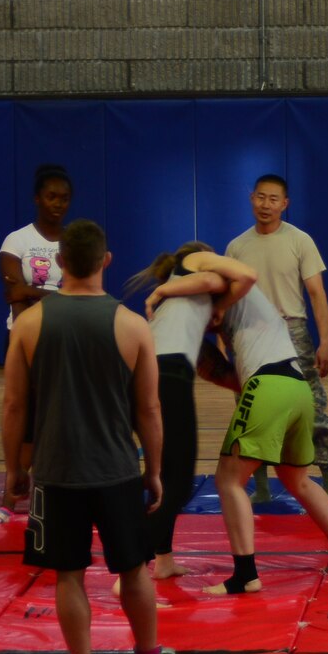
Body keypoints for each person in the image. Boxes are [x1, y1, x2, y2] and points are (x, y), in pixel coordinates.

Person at [1, 219, 174, 654]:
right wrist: (154, 472)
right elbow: (150, 409)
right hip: (117, 471)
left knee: (68, 574)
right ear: (106, 261)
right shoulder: (133, 325)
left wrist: (13, 469)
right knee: (134, 570)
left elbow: (14, 405)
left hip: (55, 472)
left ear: (58, 262)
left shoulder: (30, 324)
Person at [202, 286, 328, 594]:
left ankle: (245, 575)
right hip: (297, 387)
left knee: (228, 480)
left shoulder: (229, 286)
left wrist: (162, 299)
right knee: (297, 479)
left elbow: (232, 277)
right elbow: (228, 376)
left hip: (269, 385)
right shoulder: (246, 309)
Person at [128, 242, 258, 579]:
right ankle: (132, 572)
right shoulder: (190, 262)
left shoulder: (182, 306)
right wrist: (221, 306)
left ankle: (163, 559)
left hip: (147, 372)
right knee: (180, 483)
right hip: (165, 375)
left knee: (166, 475)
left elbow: (218, 373)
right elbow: (244, 276)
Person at [225, 174, 328, 507]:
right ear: (251, 199)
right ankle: (259, 484)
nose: (266, 205)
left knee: (314, 407)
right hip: (249, 333)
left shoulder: (300, 240)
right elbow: (228, 299)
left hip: (292, 331)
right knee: (251, 410)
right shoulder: (236, 246)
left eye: (273, 199)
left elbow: (317, 294)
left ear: (285, 204)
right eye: (260, 197)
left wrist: (326, 341)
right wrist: (226, 341)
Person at [0, 164, 73, 527]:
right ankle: (10, 497)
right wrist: (58, 295)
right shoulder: (16, 240)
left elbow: (81, 294)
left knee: (64, 419)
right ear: (37, 198)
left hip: (66, 339)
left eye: (64, 198)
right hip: (24, 340)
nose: (57, 204)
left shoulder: (75, 241)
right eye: (51, 196)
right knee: (24, 417)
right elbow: (13, 295)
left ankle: (66, 495)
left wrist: (32, 291)